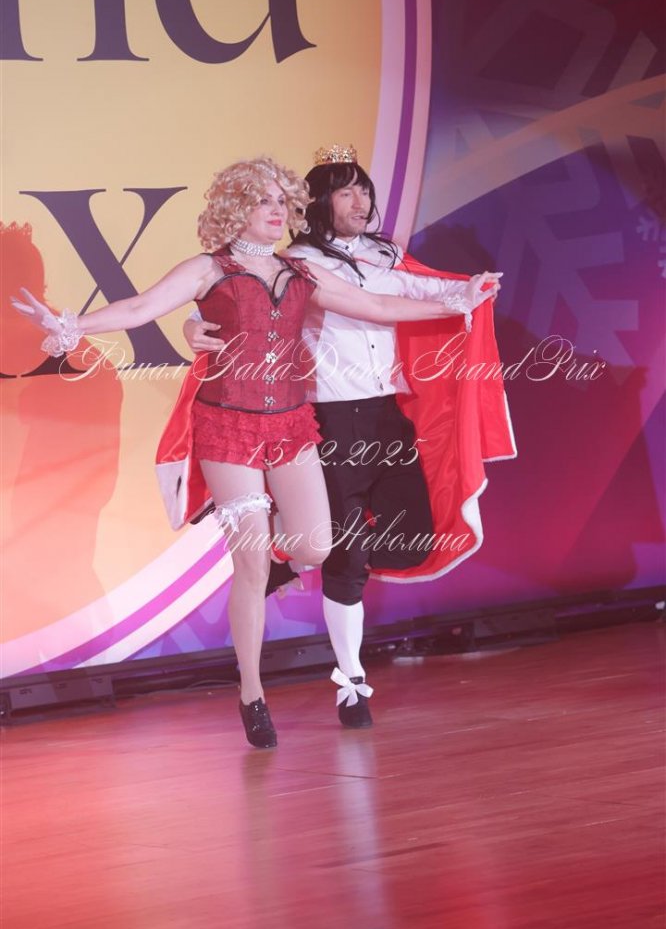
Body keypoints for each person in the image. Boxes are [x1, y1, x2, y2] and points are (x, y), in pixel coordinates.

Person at [12, 155, 500, 749]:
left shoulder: (299, 269)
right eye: (263, 201)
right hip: (228, 428)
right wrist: (72, 325)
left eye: (281, 201)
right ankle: (252, 692)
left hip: (290, 424)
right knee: (250, 566)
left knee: (317, 546)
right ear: (235, 208)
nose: (277, 210)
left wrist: (458, 302)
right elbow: (140, 308)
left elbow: (375, 306)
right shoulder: (208, 269)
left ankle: (268, 551)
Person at [183, 147, 507, 732]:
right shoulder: (298, 263)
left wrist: (464, 293)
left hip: (385, 413)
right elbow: (239, 305)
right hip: (331, 418)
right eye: (345, 191)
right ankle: (352, 682)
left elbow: (396, 292)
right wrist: (193, 323)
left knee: (410, 538)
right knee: (347, 558)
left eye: (365, 190)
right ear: (319, 204)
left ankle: (292, 561)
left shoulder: (384, 255)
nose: (361, 201)